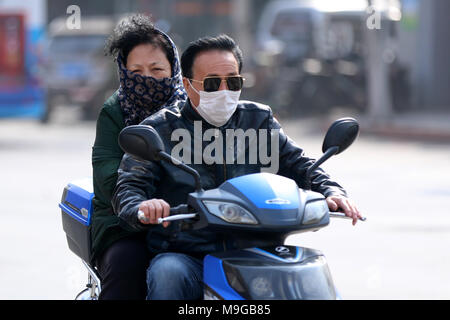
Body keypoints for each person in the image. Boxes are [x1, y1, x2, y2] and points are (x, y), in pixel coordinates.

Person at [111, 34, 363, 300]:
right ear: (187, 85)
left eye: (232, 82)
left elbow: (300, 165)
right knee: (168, 273)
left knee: (309, 271)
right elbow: (129, 188)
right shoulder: (159, 129)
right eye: (211, 83)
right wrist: (143, 207)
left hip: (256, 251)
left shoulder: (259, 119)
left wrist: (333, 192)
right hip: (188, 255)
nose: (223, 90)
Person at [91, 14, 186, 300]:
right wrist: (145, 203)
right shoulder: (114, 110)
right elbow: (107, 172)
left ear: (174, 69)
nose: (146, 79)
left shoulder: (190, 109)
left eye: (157, 69)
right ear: (124, 71)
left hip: (189, 219)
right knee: (127, 263)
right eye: (137, 70)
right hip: (123, 223)